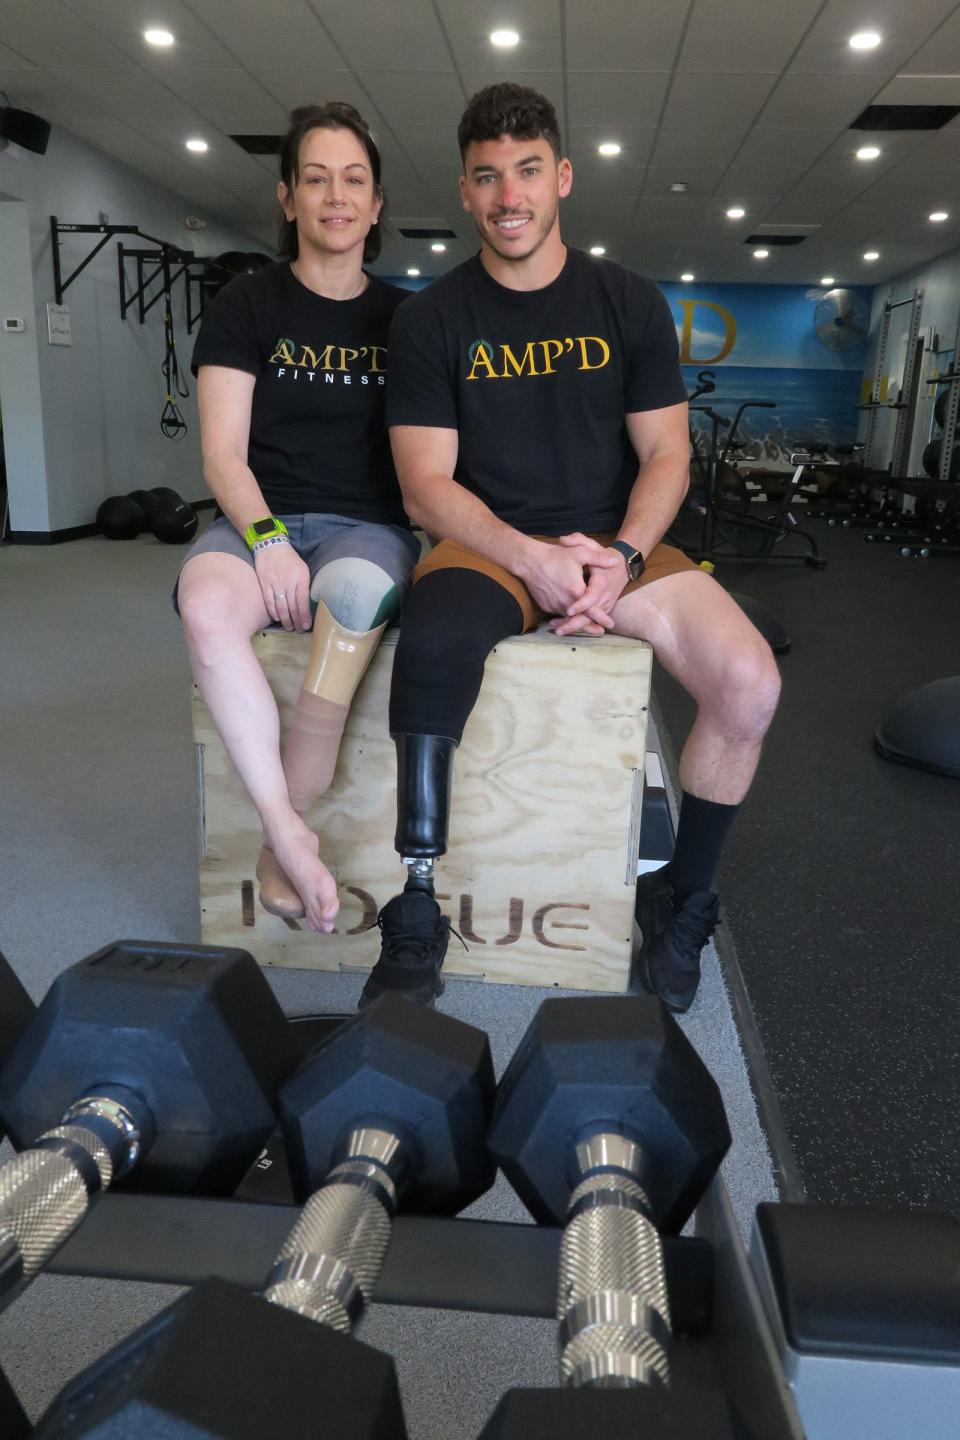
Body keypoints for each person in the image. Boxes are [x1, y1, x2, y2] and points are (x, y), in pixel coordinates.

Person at [359, 82, 781, 1012]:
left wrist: (619, 557)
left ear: (563, 178)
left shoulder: (626, 301)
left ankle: (685, 902)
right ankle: (417, 903)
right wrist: (532, 556)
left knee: (749, 681)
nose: (509, 195)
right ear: (466, 194)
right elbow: (425, 484)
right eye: (486, 177)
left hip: (614, 543)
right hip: (489, 542)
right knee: (429, 648)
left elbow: (668, 453)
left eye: (527, 171)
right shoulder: (431, 320)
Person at [177, 102, 419, 935]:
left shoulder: (405, 319)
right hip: (259, 516)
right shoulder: (247, 307)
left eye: (353, 179)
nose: (335, 196)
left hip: (365, 527)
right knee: (205, 606)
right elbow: (220, 456)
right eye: (315, 179)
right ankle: (289, 832)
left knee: (349, 600)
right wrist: (269, 540)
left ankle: (283, 842)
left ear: (377, 204)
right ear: (287, 199)